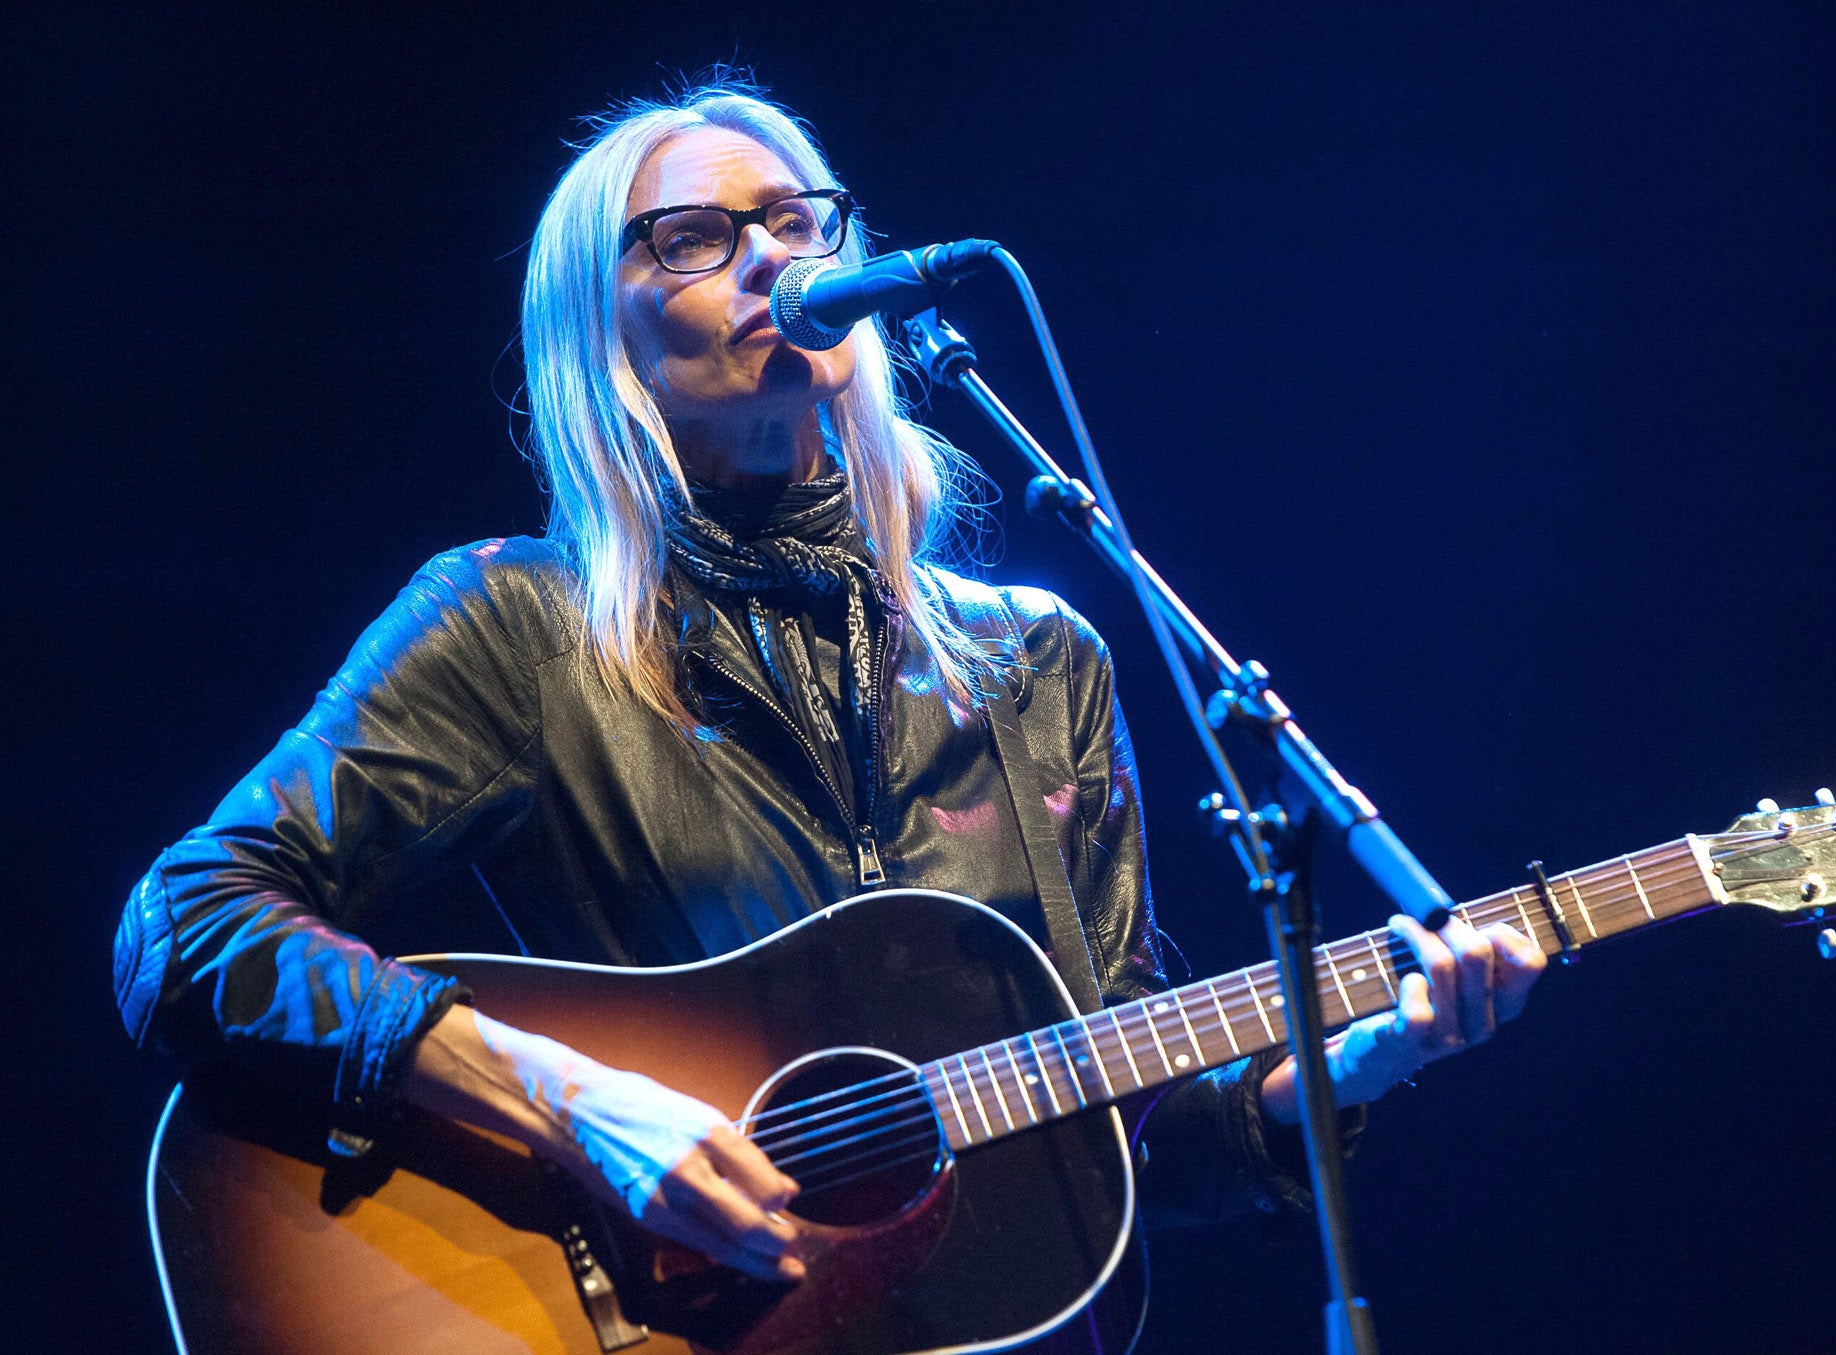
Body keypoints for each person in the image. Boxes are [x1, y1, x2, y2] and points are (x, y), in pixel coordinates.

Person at [113, 82, 1545, 1293]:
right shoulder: (521, 623)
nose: (770, 255)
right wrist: (570, 1099)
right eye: (695, 236)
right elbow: (186, 922)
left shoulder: (1036, 662)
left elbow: (1133, 1135)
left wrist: (1363, 1056)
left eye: (802, 221)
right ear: (599, 328)